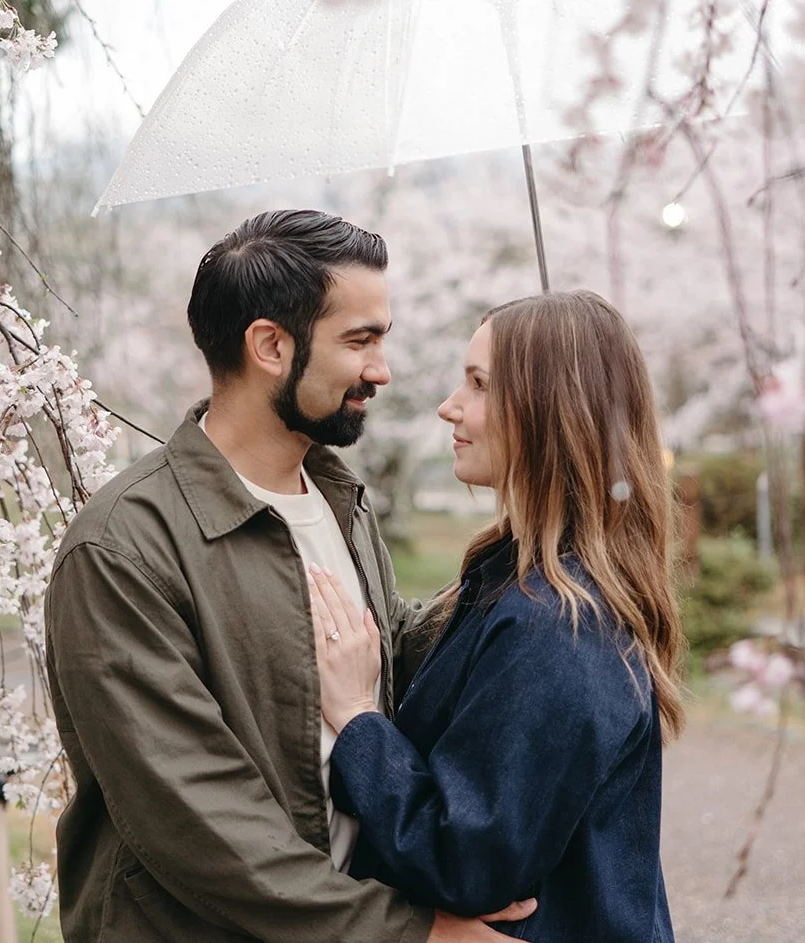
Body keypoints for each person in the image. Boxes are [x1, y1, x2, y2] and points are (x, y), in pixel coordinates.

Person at [44, 209, 534, 942]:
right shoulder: (124, 549)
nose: (383, 369)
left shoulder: (338, 500)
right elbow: (198, 816)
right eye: (360, 340)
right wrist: (414, 932)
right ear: (271, 344)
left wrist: (526, 557)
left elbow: (374, 650)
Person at [309, 289, 686, 942]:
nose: (449, 406)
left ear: (549, 413)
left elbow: (470, 861)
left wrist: (356, 720)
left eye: (479, 385)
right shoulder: (520, 581)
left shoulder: (559, 626)